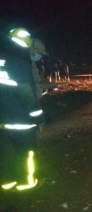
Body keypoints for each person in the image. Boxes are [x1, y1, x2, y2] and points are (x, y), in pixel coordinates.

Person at [0, 27, 45, 190]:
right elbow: (26, 93)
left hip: (2, 121)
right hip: (22, 119)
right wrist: (38, 118)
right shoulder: (17, 62)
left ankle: (7, 182)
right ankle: (28, 182)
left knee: (6, 153)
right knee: (27, 153)